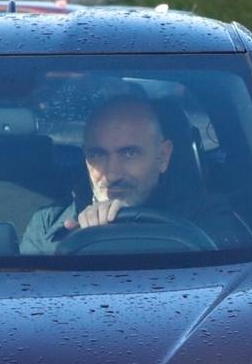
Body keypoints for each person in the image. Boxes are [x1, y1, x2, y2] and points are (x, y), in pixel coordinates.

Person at [19, 95, 176, 254]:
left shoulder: (199, 224)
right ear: (86, 158)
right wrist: (79, 243)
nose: (112, 175)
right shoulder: (48, 227)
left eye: (129, 153)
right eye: (98, 155)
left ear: (162, 156)